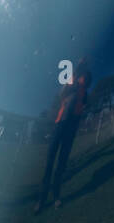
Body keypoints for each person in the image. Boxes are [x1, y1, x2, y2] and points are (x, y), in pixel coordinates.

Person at [36, 58, 91, 212]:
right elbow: (61, 93)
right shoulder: (72, 78)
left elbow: (85, 101)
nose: (82, 68)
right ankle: (41, 199)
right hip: (60, 123)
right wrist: (71, 81)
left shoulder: (84, 84)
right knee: (50, 161)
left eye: (84, 66)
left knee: (61, 163)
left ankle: (56, 196)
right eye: (81, 65)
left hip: (71, 126)